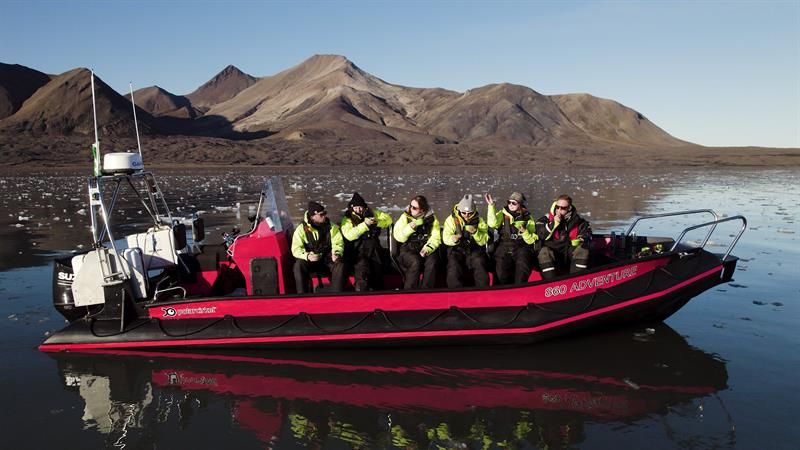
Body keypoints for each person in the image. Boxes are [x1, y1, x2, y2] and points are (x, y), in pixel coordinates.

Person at [340, 192, 393, 291]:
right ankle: (361, 295)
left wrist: (377, 222)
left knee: (377, 272)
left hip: (375, 250)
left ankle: (379, 294)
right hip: (358, 252)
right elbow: (349, 235)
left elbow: (388, 220)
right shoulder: (347, 219)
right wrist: (364, 225)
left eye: (360, 207)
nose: (358, 210)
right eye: (355, 208)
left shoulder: (373, 213)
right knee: (362, 273)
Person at [291, 201, 347, 293]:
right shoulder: (301, 229)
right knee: (299, 265)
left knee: (340, 265)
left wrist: (336, 253)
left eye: (325, 213)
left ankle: (336, 296)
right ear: (313, 216)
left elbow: (338, 243)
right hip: (311, 262)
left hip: (327, 260)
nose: (324, 216)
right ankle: (302, 296)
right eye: (322, 214)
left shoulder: (332, 227)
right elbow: (296, 249)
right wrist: (307, 256)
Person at [485, 191, 538, 284]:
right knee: (500, 265)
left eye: (514, 203)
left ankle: (520, 287)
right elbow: (492, 223)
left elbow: (532, 240)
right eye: (509, 202)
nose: (511, 205)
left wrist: (525, 232)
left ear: (520, 204)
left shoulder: (528, 218)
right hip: (504, 244)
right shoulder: (502, 214)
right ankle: (501, 289)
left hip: (521, 246)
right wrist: (491, 206)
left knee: (523, 263)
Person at [535, 194, 592, 279]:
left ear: (569, 208)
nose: (559, 210)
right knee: (544, 252)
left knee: (583, 249)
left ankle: (576, 281)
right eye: (557, 207)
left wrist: (582, 238)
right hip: (552, 254)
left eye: (563, 208)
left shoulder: (578, 221)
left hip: (569, 254)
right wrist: (554, 224)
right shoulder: (544, 220)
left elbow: (587, 232)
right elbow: (540, 234)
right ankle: (550, 284)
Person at [393, 195, 441, 289]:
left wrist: (428, 249)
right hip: (407, 249)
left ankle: (426, 289)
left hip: (424, 247)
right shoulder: (405, 217)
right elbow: (398, 237)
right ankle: (409, 290)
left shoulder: (432, 220)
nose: (411, 209)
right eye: (410, 206)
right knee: (415, 261)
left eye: (414, 208)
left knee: (432, 261)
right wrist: (410, 228)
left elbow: (436, 238)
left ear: (422, 210)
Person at [443, 194, 490, 288]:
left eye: (469, 213)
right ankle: (455, 291)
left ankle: (483, 290)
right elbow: (445, 238)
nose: (466, 216)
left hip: (474, 250)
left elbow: (484, 240)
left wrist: (476, 232)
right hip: (457, 250)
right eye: (464, 213)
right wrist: (453, 239)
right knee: (453, 265)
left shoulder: (480, 221)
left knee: (479, 262)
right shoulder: (450, 220)